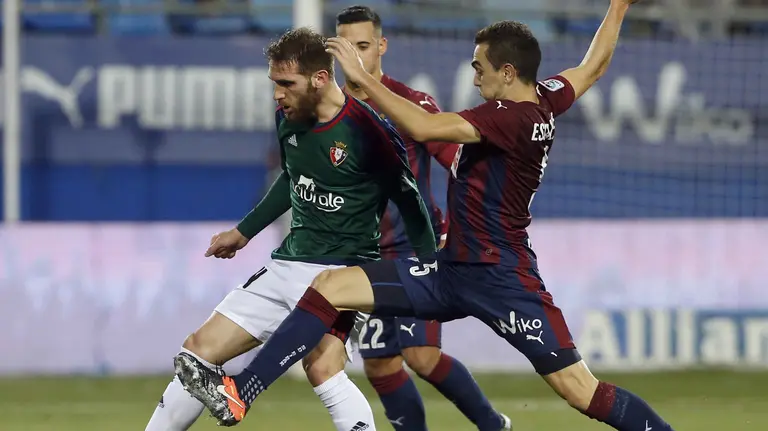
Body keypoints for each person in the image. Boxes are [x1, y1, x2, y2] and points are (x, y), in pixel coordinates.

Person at [175, 1, 675, 430]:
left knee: (578, 390)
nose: (473, 73)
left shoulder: (508, 118)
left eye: (480, 66)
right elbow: (593, 67)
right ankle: (241, 390)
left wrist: (365, 81)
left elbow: (420, 123)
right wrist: (619, 7)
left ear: (506, 72)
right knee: (330, 287)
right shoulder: (544, 98)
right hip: (450, 267)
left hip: (502, 278)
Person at [146, 27, 439, 431]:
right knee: (198, 352)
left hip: (338, 275)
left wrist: (428, 269)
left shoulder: (367, 130)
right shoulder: (289, 117)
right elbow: (292, 175)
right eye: (274, 83)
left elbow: (410, 199)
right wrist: (244, 231)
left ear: (320, 79)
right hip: (288, 261)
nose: (277, 94)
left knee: (322, 369)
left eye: (286, 83)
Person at [336, 5, 510, 431]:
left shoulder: (411, 104)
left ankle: (493, 425)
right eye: (346, 47)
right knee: (379, 367)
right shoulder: (330, 111)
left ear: (381, 47)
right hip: (367, 258)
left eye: (363, 46)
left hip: (419, 249)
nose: (355, 57)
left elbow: (456, 162)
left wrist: (459, 225)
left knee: (422, 356)